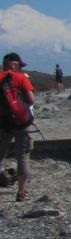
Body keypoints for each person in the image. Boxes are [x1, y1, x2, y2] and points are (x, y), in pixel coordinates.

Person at [0, 52, 36, 202]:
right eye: (19, 65)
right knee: (22, 156)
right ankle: (21, 193)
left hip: (3, 123)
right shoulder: (21, 78)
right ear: (13, 64)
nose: (20, 68)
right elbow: (31, 100)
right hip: (23, 123)